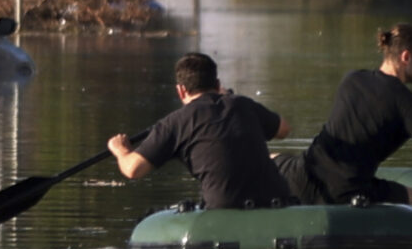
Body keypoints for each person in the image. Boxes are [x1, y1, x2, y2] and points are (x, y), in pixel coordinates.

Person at [287, 24, 412, 208]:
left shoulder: (353, 79)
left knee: (275, 158)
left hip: (304, 175)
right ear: (406, 57)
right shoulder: (408, 102)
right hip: (348, 190)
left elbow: (388, 117)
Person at [108, 52, 294, 211]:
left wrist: (120, 150)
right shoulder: (243, 104)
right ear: (217, 83)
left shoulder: (175, 122)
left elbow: (133, 169)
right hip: (274, 202)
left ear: (181, 91)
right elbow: (284, 129)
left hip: (225, 209)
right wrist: (229, 98)